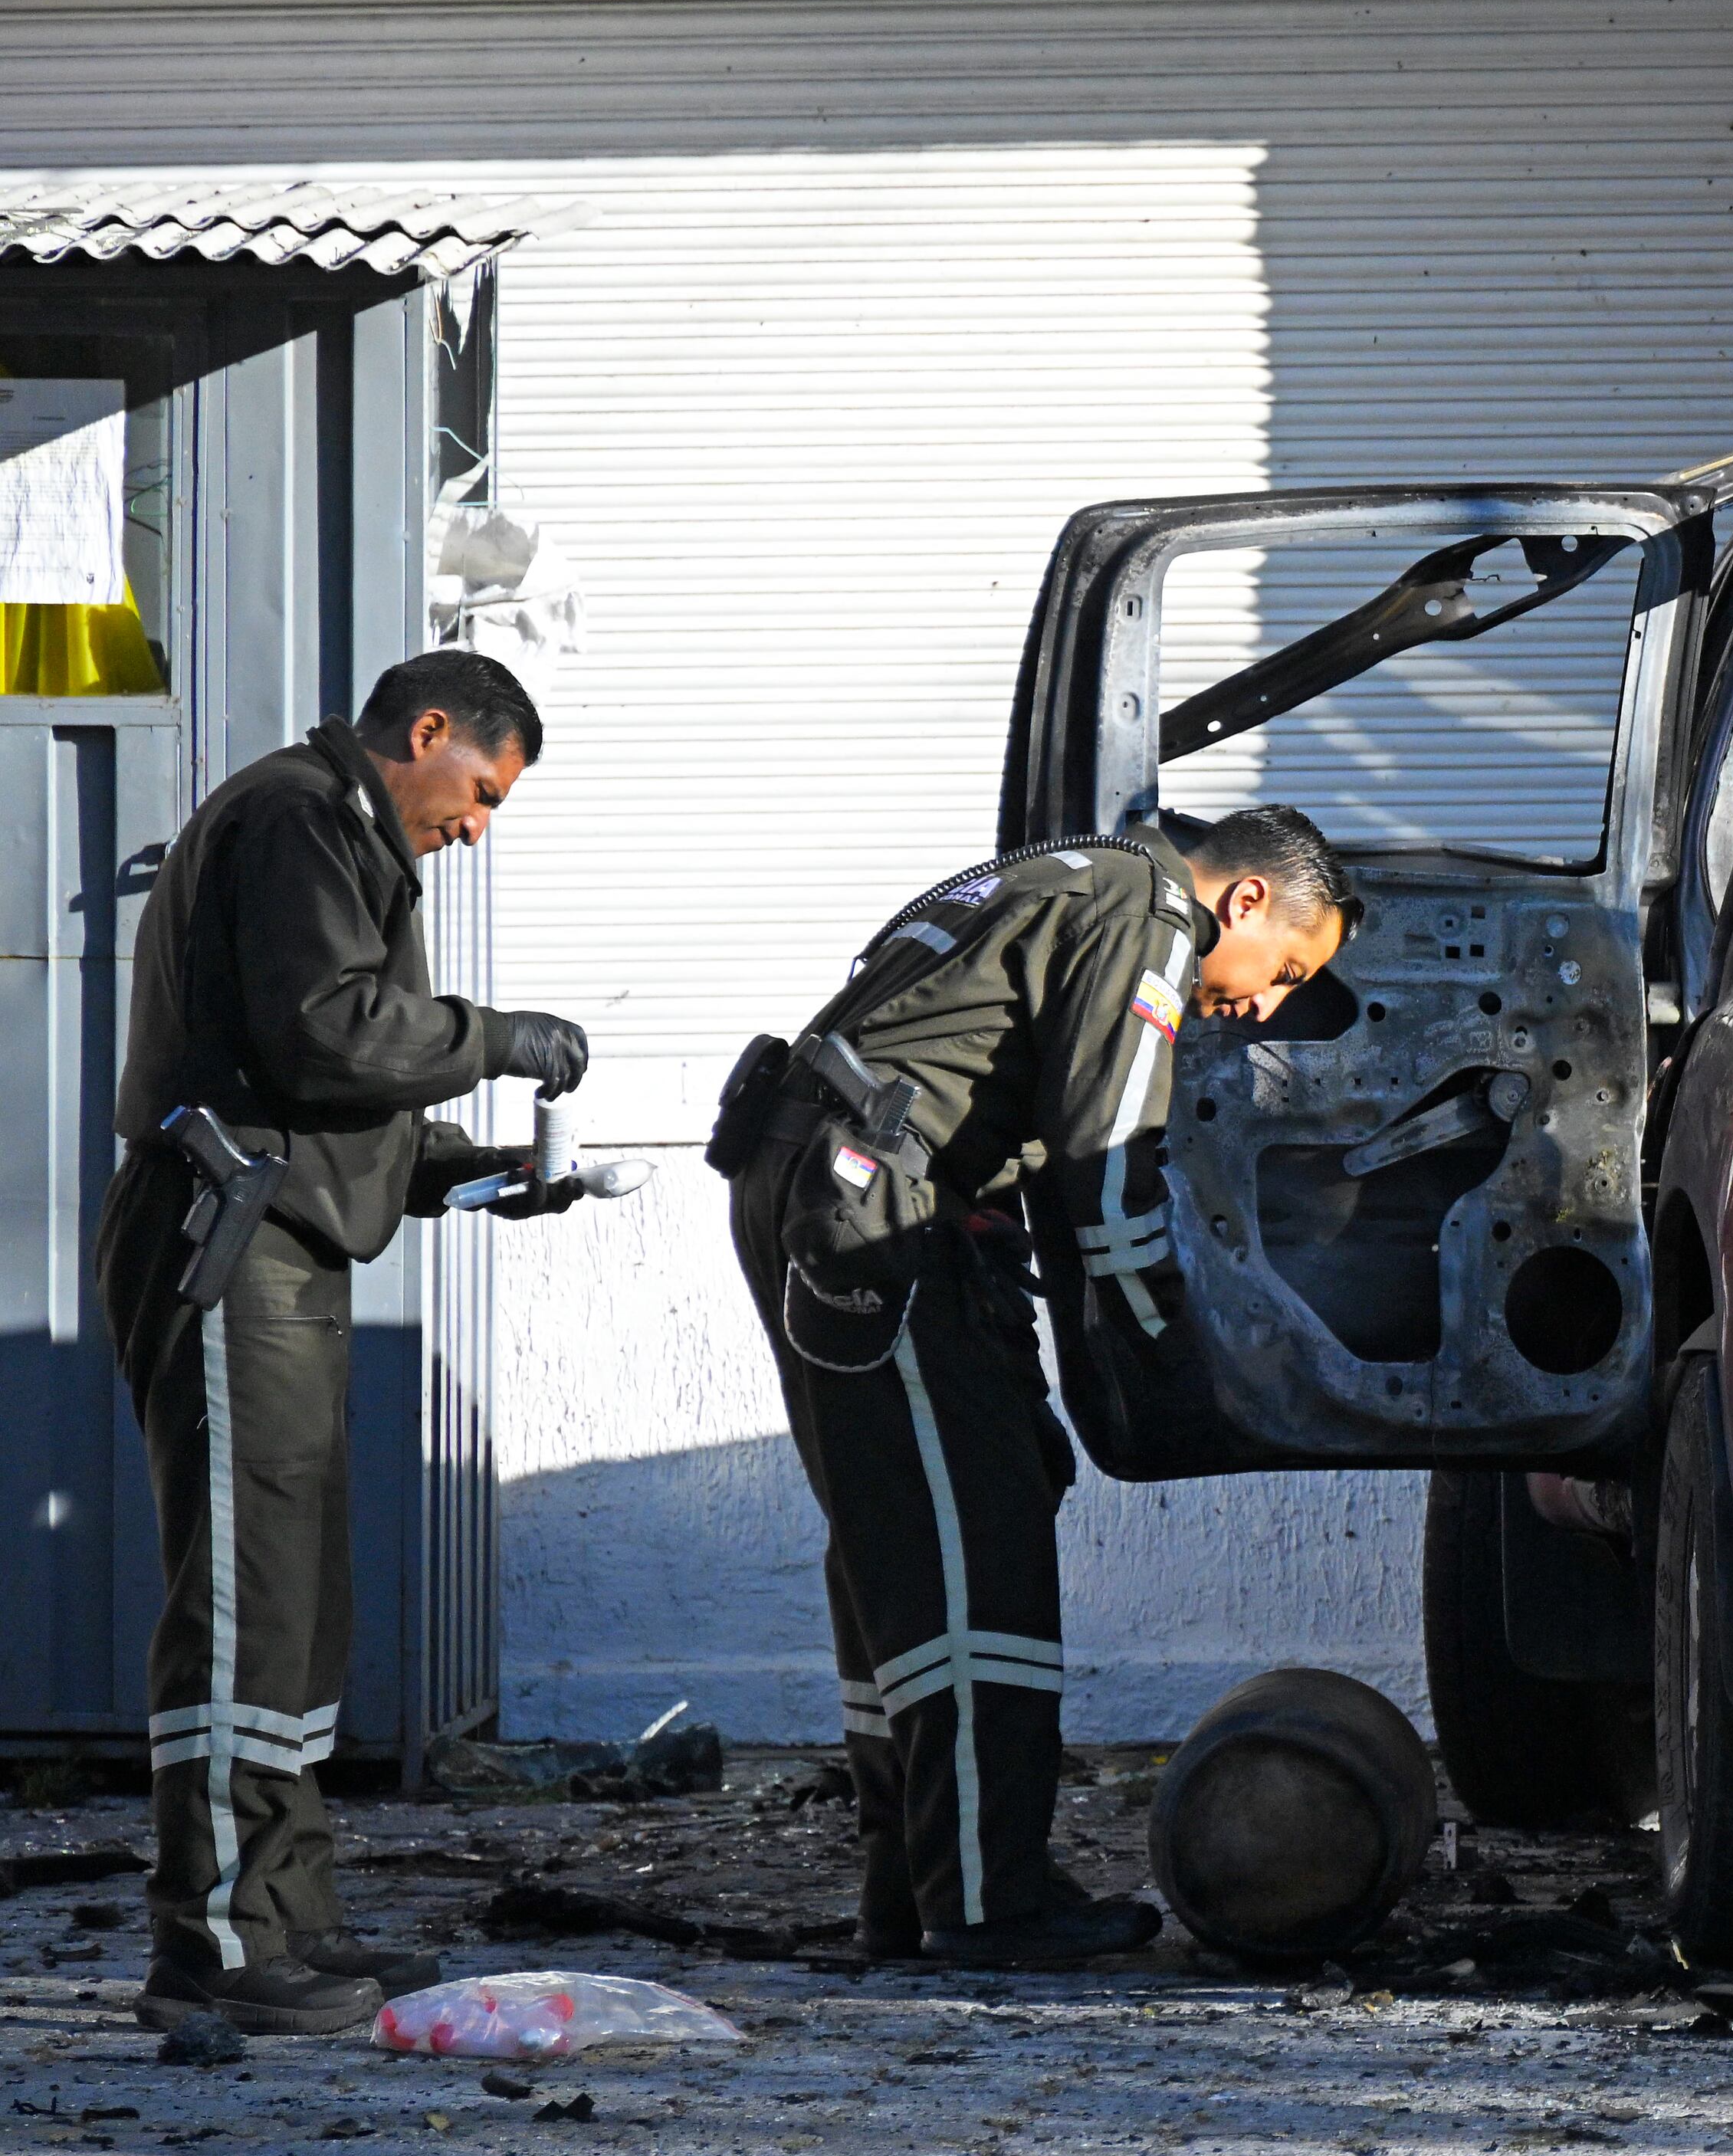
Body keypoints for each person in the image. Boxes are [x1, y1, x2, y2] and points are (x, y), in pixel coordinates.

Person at [717, 806, 1354, 1967]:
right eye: (1288, 972)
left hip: (826, 1179)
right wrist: (1169, 1353)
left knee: (900, 1540)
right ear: (1246, 901)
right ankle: (987, 1901)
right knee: (974, 1541)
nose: (1264, 1004)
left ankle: (909, 1891)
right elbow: (1106, 1162)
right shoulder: (1151, 912)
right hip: (877, 1205)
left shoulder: (1069, 875)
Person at [100, 649, 596, 2036]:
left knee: (298, 1604)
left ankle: (288, 1917)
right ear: (427, 732)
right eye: (482, 790)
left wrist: (487, 1169)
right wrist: (497, 1037)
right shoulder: (302, 817)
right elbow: (327, 1036)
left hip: (278, 1239)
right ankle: (211, 1944)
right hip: (224, 1237)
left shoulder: (332, 830)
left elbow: (332, 1091)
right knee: (247, 1600)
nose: (477, 824)